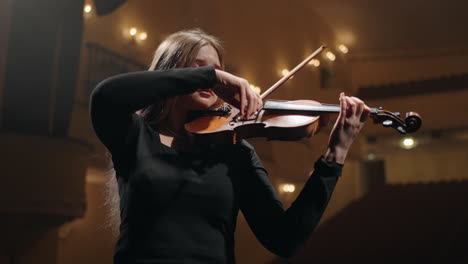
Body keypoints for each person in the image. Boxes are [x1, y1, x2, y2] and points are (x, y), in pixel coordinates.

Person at [90, 28, 371, 264]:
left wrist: (336, 153)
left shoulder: (233, 151)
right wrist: (213, 77)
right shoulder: (135, 135)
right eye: (198, 67)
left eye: (216, 68)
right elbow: (105, 96)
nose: (211, 76)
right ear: (171, 73)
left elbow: (285, 238)